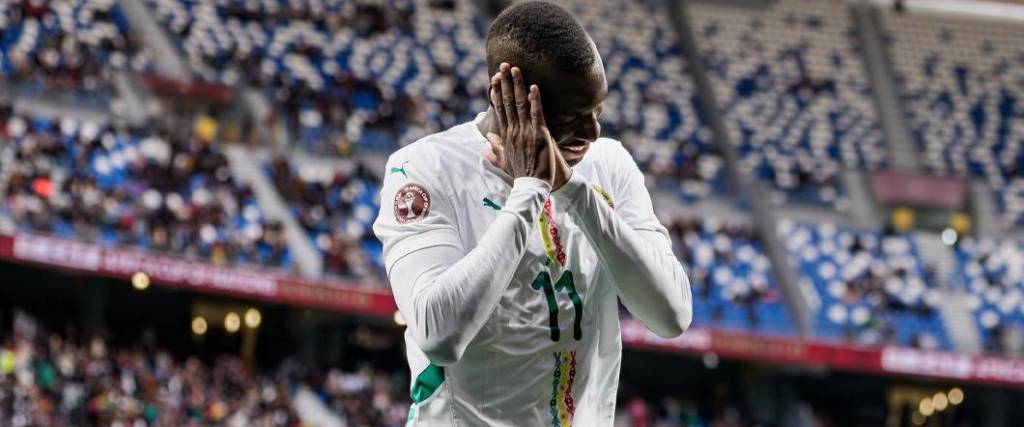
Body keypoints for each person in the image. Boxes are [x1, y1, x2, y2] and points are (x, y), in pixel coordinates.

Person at [373, 2, 692, 425]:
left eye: (597, 112)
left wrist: (573, 190)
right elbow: (439, 335)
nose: (593, 133)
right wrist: (529, 190)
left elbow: (671, 316)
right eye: (574, 116)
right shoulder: (424, 168)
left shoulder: (608, 165)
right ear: (508, 97)